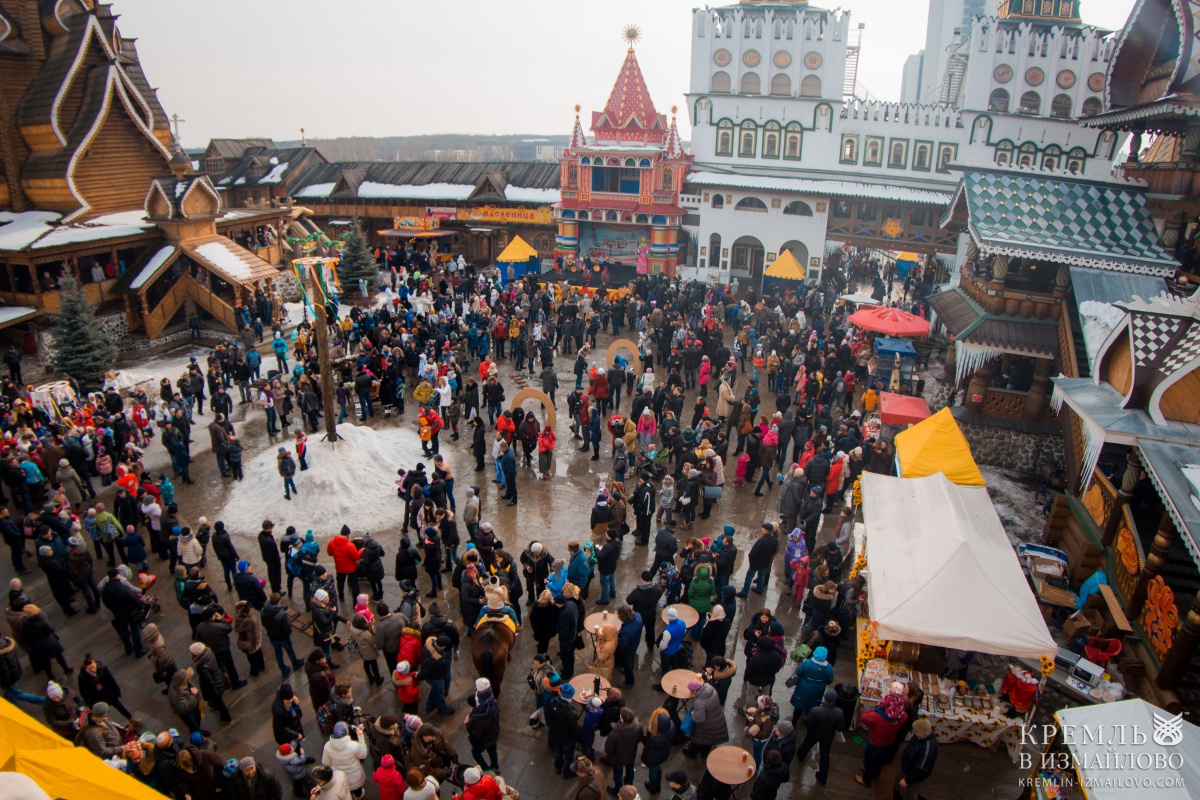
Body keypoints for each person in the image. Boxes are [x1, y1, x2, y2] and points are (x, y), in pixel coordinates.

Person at [855, 682, 910, 788]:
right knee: (880, 761)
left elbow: (863, 718)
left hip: (875, 741)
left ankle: (866, 779)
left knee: (870, 760)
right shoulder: (904, 716)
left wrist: (872, 709)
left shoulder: (876, 716)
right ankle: (875, 774)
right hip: (889, 742)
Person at [796, 688, 843, 786]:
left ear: (825, 698)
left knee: (806, 745)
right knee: (825, 754)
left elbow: (807, 722)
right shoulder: (839, 712)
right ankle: (823, 776)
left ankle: (800, 756)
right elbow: (840, 727)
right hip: (828, 736)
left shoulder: (815, 710)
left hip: (814, 733)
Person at [788, 646, 834, 727]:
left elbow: (798, 672)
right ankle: (808, 722)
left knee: (799, 707)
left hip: (803, 688)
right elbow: (829, 681)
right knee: (812, 706)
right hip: (818, 691)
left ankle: (794, 722)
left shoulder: (807, 663)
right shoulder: (828, 667)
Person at [322, 721, 368, 798]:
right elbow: (363, 755)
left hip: (339, 776)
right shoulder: (353, 745)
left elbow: (326, 763)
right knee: (358, 791)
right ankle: (359, 796)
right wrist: (360, 737)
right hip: (355, 776)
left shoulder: (327, 746)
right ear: (347, 732)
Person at [895, 718, 938, 800]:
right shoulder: (919, 737)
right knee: (897, 785)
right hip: (906, 768)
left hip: (913, 775)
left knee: (907, 795)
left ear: (923, 734)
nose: (914, 732)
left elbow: (921, 770)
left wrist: (907, 780)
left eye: (916, 731)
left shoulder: (927, 750)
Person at [683, 680, 727, 759]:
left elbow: (699, 720)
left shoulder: (699, 702)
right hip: (717, 720)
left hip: (707, 725)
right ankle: (704, 753)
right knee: (708, 741)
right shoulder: (711, 689)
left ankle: (691, 754)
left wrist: (693, 715)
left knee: (696, 739)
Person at [604, 707, 643, 794]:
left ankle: (618, 789)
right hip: (631, 755)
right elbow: (640, 739)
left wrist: (609, 756)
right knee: (630, 770)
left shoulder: (614, 734)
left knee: (618, 774)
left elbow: (608, 749)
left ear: (622, 719)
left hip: (617, 758)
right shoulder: (638, 727)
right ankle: (629, 786)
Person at [465, 677, 500, 771]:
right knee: (492, 749)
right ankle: (495, 766)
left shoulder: (478, 716)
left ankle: (487, 771)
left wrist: (468, 724)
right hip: (495, 733)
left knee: (475, 752)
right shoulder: (493, 702)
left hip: (485, 738)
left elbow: (476, 734)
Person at [738, 523, 779, 597]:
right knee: (761, 574)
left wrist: (751, 560)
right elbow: (773, 551)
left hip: (756, 562)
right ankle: (759, 589)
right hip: (765, 561)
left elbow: (753, 553)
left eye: (763, 529)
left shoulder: (762, 540)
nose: (762, 530)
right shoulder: (774, 540)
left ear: (766, 531)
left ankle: (744, 592)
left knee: (749, 576)